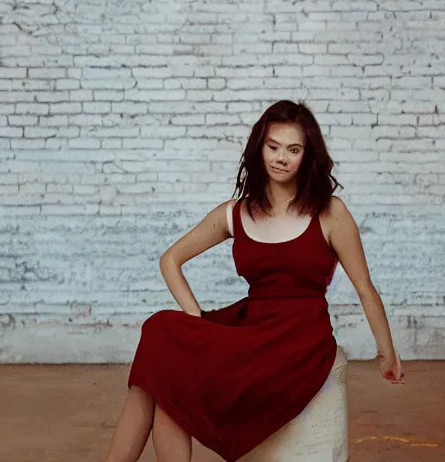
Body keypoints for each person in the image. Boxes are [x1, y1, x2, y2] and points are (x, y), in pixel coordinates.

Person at [104, 100, 404, 462]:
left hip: (297, 338)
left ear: (307, 156)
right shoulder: (235, 212)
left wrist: (386, 351)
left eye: (293, 150)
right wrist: (195, 321)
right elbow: (171, 259)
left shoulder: (330, 211)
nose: (281, 158)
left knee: (165, 367)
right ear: (259, 147)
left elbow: (364, 286)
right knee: (162, 343)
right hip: (252, 324)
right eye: (273, 146)